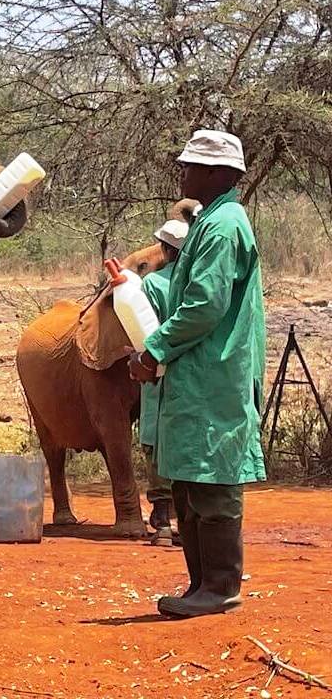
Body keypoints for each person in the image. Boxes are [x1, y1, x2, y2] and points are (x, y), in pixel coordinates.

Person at [128, 129, 266, 618]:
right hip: (196, 374)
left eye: (191, 166)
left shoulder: (224, 225)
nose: (182, 173)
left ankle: (221, 587)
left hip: (215, 375)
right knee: (189, 480)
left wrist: (154, 349)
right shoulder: (211, 221)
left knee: (213, 481)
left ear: (218, 173)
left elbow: (205, 305)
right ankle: (201, 586)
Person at [139, 218, 190, 547]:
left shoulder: (152, 284)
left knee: (156, 436)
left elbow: (142, 329)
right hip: (192, 371)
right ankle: (188, 520)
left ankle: (161, 519)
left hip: (157, 368)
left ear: (164, 250)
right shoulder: (198, 283)